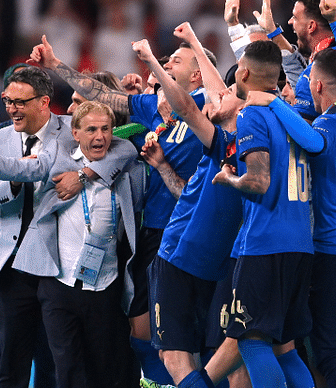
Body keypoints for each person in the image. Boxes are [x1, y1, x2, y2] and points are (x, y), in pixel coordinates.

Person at [31, 30, 213, 382]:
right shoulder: (157, 112)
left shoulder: (208, 106)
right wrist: (55, 64)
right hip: (155, 232)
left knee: (191, 329)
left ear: (196, 75)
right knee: (143, 327)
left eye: (176, 61)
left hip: (195, 231)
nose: (166, 63)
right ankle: (160, 381)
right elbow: (102, 98)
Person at [249, 0, 336, 388]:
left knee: (333, 355)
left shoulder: (328, 128)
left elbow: (312, 142)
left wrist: (273, 103)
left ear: (315, 85)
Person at [0, 99, 144, 388]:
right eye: (90, 130)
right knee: (67, 373)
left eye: (105, 129)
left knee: (105, 373)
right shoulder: (58, 162)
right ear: (74, 133)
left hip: (107, 285)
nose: (99, 137)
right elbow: (18, 169)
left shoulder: (127, 168)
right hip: (60, 287)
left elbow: (129, 147)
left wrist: (85, 176)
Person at [132, 35, 246, 388]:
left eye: (225, 94)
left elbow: (187, 107)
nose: (218, 96)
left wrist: (153, 59)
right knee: (230, 354)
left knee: (175, 356)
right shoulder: (267, 138)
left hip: (181, 253)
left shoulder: (223, 143)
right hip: (221, 258)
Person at [213, 39, 315, 388]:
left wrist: (229, 178)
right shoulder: (290, 114)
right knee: (285, 347)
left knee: (251, 340)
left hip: (265, 243)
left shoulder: (251, 114)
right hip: (301, 242)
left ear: (242, 72)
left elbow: (258, 181)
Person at [0, 66, 66, 388]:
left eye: (20, 102)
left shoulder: (70, 133)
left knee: (53, 361)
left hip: (56, 267)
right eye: (7, 100)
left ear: (44, 102)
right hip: (7, 269)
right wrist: (9, 186)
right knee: (8, 362)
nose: (11, 108)